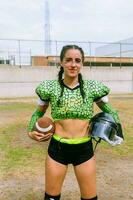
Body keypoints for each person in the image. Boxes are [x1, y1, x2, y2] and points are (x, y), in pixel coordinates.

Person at [27, 45, 123, 200]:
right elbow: (38, 112)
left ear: (82, 63)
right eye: (69, 60)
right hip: (58, 149)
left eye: (77, 60)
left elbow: (111, 112)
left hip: (84, 149)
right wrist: (30, 130)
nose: (73, 64)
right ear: (61, 62)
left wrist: (117, 132)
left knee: (90, 198)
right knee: (51, 198)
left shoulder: (92, 88)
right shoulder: (49, 88)